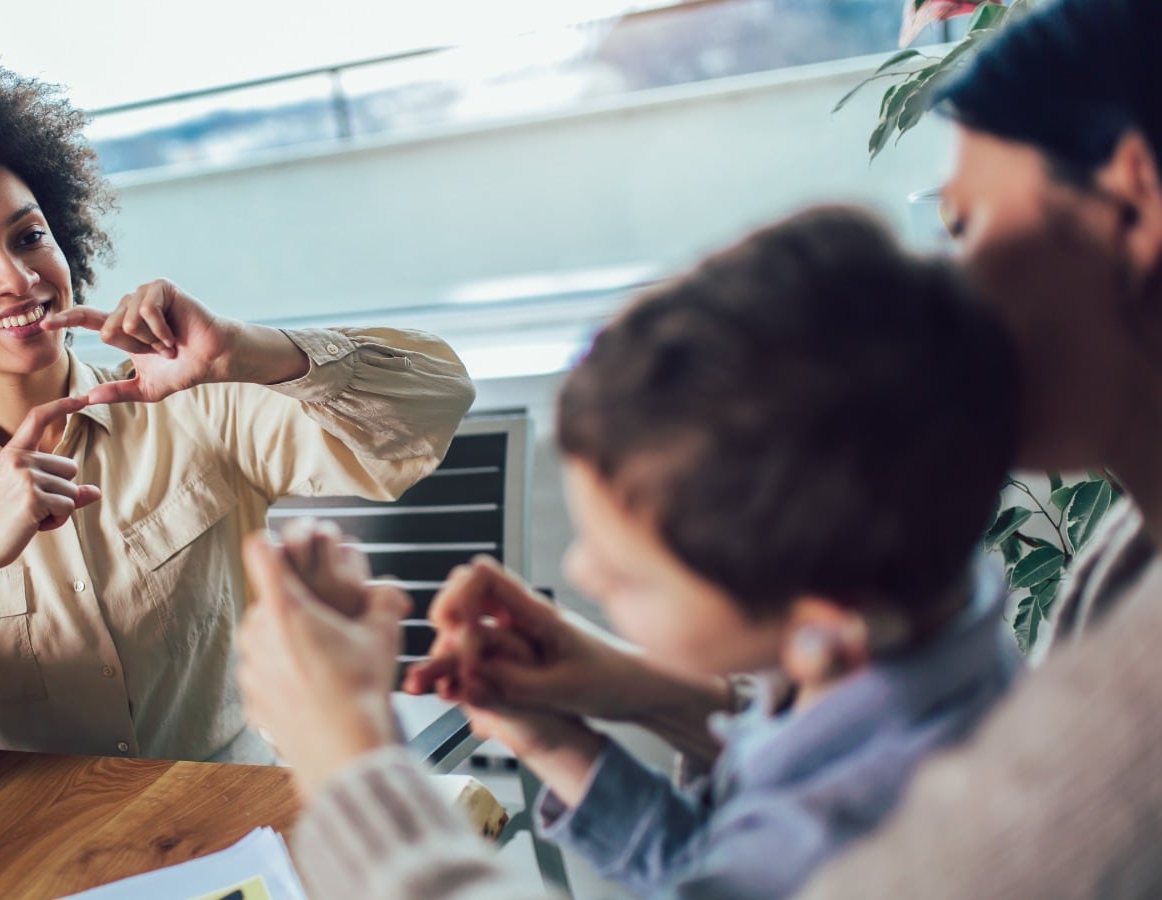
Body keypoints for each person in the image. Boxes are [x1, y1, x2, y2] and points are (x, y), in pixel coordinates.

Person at [237, 206, 1022, 898]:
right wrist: (569, 739)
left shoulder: (878, 845)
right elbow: (718, 869)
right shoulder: (927, 646)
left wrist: (348, 765)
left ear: (825, 623)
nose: (581, 573)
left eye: (633, 574)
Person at [0, 53, 475, 780]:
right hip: (37, 857)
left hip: (227, 816)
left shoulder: (193, 404)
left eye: (29, 237)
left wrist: (247, 352)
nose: (18, 278)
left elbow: (435, 402)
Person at [795, 0, 1162, 895]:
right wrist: (633, 702)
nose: (950, 290)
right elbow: (998, 783)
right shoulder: (1128, 557)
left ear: (1131, 204)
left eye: (965, 227)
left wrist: (382, 756)